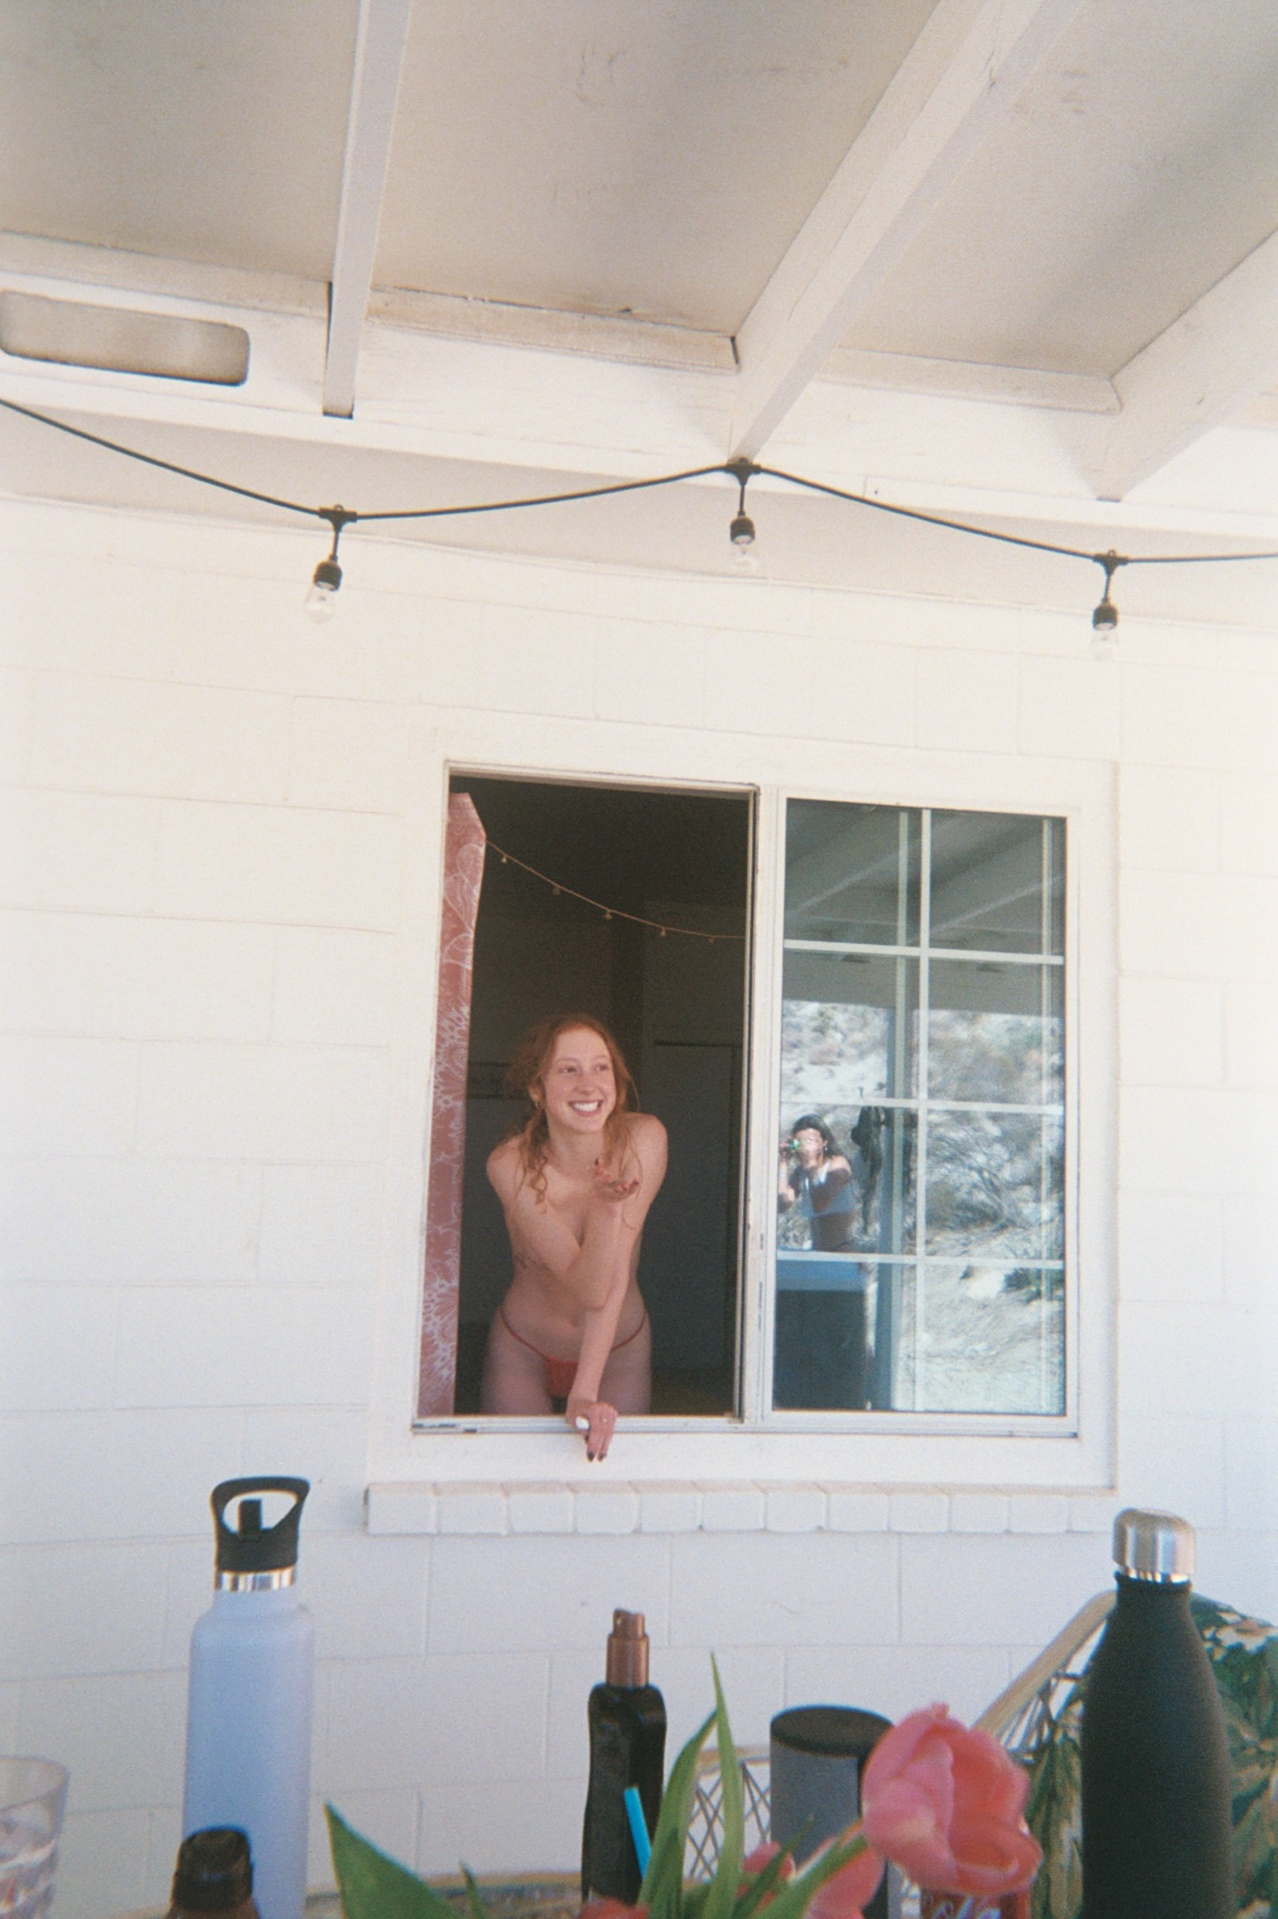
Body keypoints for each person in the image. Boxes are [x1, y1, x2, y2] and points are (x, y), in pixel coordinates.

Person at [482, 1014, 667, 1461]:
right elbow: (587, 1286)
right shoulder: (510, 1164)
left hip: (618, 1351)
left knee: (612, 1485)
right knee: (509, 1480)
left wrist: (584, 1391)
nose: (588, 1084)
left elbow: (611, 1279)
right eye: (568, 1070)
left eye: (601, 1068)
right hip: (524, 1349)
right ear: (537, 1088)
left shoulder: (643, 1139)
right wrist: (605, 1211)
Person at [775, 1113, 869, 1409]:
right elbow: (781, 1203)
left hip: (841, 1254)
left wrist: (810, 1166)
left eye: (810, 1139)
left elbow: (821, 1202)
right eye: (799, 1140)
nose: (804, 1145)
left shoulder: (838, 1166)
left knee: (842, 1330)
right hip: (819, 1256)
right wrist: (783, 1163)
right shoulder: (802, 1172)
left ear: (824, 1142)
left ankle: (853, 1391)